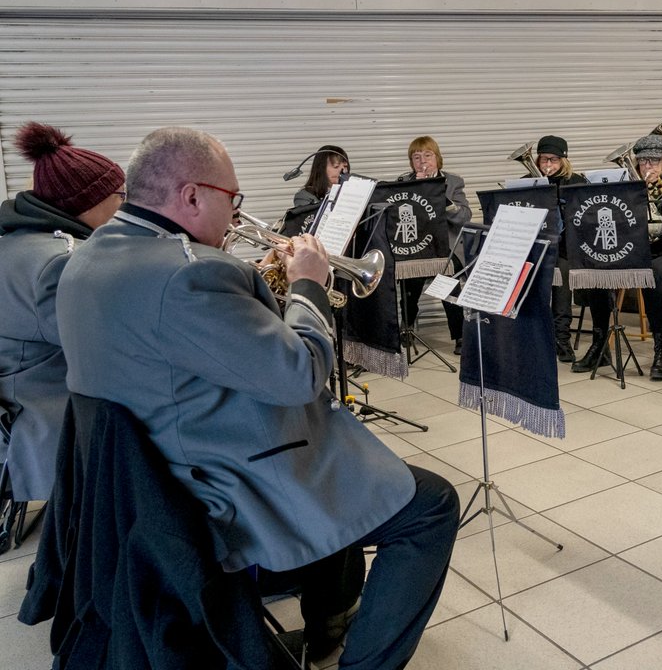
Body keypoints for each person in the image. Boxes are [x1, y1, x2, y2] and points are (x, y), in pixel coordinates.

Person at [55, 127, 459, 668]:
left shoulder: (84, 259)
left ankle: (330, 617)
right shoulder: (188, 275)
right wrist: (308, 284)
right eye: (232, 200)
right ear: (192, 195)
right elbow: (300, 375)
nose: (236, 214)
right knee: (431, 504)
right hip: (217, 493)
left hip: (145, 486)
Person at [0, 122, 125, 506]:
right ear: (88, 203)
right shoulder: (57, 262)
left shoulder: (17, 241)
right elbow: (106, 349)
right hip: (50, 414)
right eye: (120, 195)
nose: (127, 204)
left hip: (20, 396)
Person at [573, 133, 662, 381]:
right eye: (642, 162)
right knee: (596, 270)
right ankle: (600, 344)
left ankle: (661, 348)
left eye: (653, 161)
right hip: (632, 249)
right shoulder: (630, 188)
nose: (647, 167)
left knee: (650, 275)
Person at [398, 136, 472, 354]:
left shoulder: (453, 182)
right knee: (408, 279)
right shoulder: (403, 182)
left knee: (450, 278)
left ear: (438, 159)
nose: (422, 161)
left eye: (428, 156)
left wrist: (442, 199)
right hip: (417, 246)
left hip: (445, 246)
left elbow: (465, 216)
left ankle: (460, 335)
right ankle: (407, 328)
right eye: (416, 157)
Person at [526, 135, 587, 363]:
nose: (548, 165)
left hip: (565, 249)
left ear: (564, 159)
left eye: (553, 160)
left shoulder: (576, 182)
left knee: (561, 272)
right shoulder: (528, 181)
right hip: (534, 249)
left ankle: (562, 339)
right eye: (543, 160)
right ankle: (535, 337)